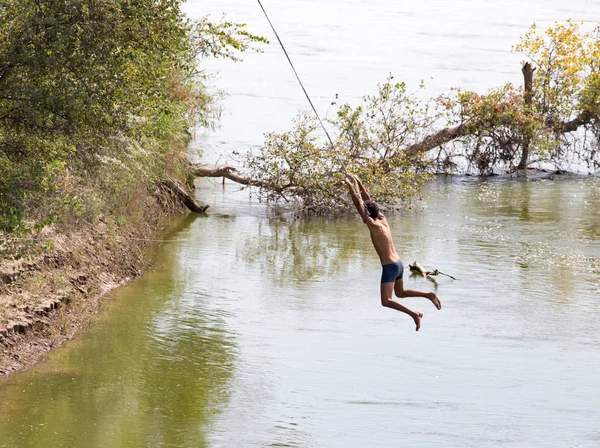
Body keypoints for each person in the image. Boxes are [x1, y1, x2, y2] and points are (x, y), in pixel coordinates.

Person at [343, 174, 441, 331]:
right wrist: (359, 182)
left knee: (386, 300)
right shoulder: (382, 219)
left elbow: (359, 204)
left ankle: (415, 314)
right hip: (398, 264)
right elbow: (368, 200)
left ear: (368, 215)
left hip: (389, 267)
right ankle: (428, 295)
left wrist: (350, 186)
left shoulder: (374, 225)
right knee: (400, 293)